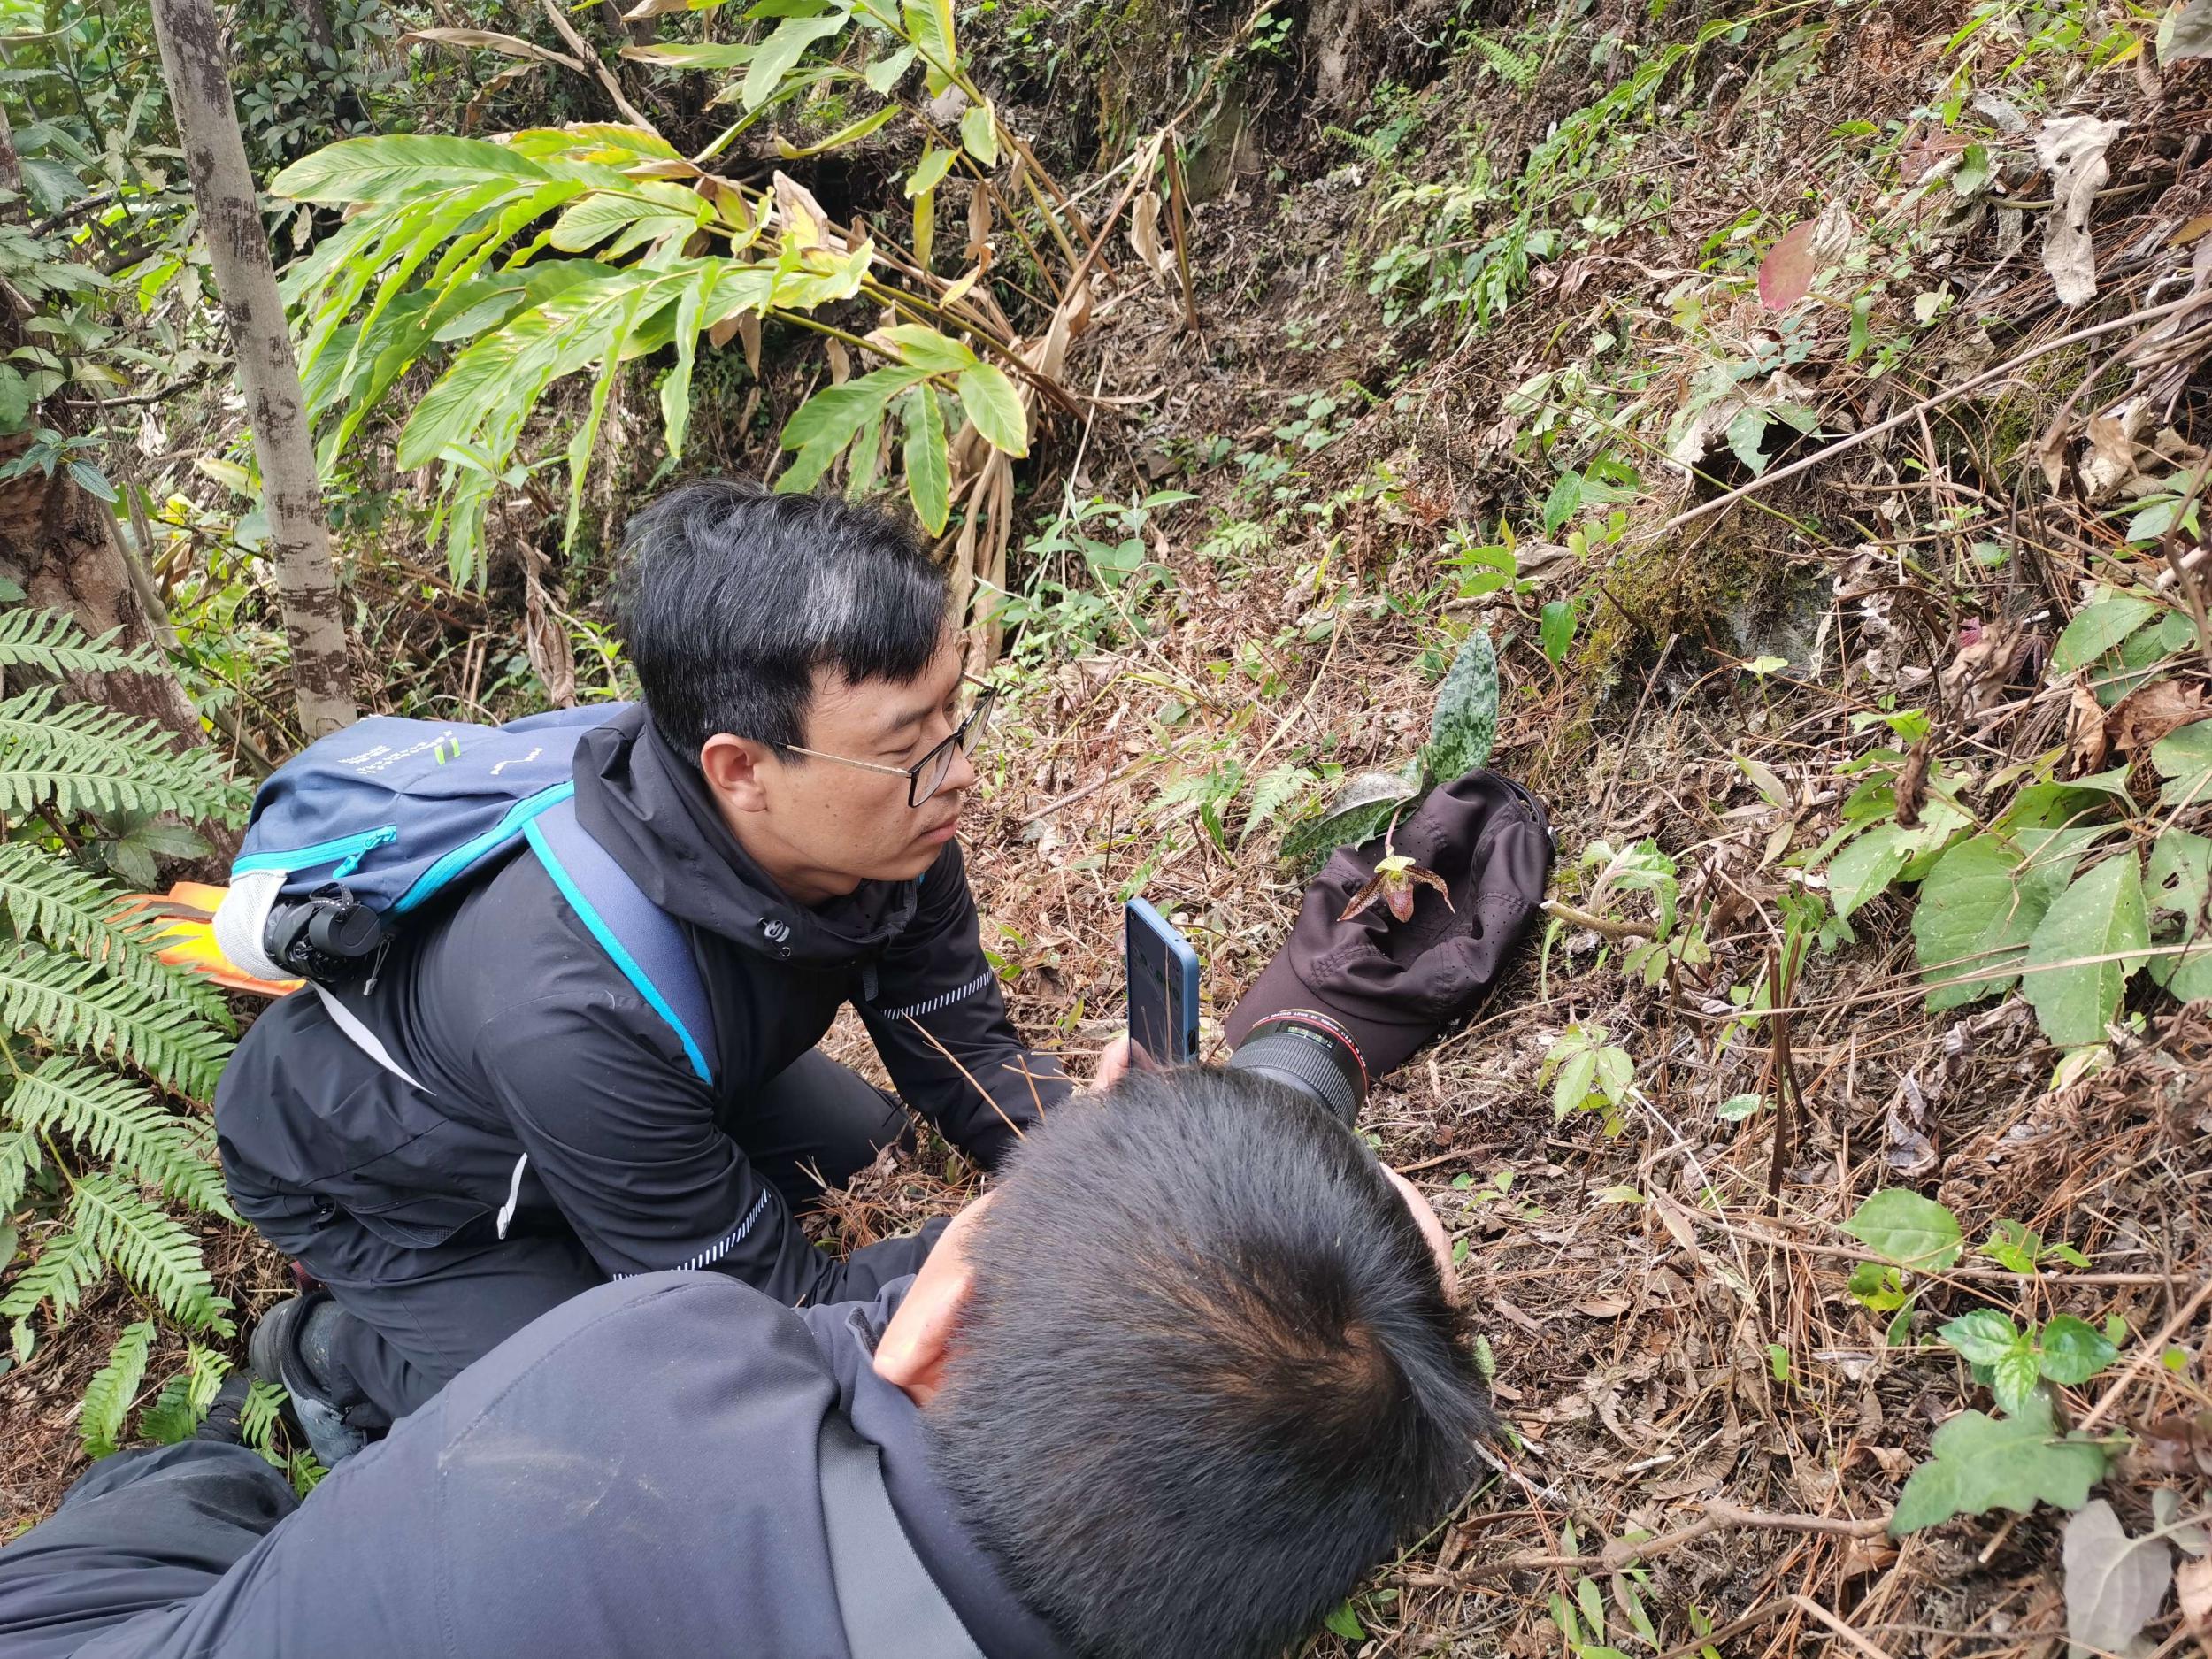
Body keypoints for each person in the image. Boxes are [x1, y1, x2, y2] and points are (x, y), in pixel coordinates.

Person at [0, 1068, 1491, 1659]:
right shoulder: (1205, 1583)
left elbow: (863, 1336)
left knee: (184, 1486)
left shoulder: (650, 1360)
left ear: (938, 1320)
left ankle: (274, 1398)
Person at [215, 481, 1090, 1463]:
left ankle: (623, 1207)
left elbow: (964, 1053)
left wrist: (1105, 1140)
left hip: (626, 1078)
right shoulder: (572, 1004)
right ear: (741, 769)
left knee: (865, 1148)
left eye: (951, 716)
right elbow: (781, 1319)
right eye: (907, 745)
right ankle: (329, 1352)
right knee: (617, 1414)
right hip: (389, 1171)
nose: (956, 771)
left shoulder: (898, 824)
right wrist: (1040, 1235)